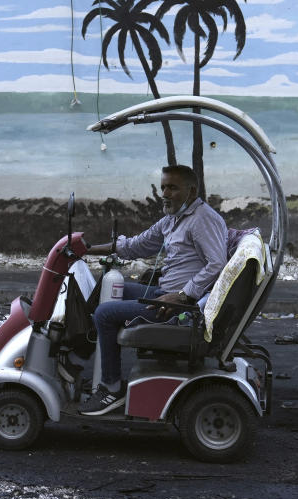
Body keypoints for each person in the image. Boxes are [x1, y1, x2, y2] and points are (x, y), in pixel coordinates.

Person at [80, 164, 228, 415]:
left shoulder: (203, 220)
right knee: (106, 288)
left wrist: (183, 295)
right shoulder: (173, 219)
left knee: (105, 314)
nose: (165, 194)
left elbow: (218, 264)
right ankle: (79, 355)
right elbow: (137, 246)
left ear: (192, 191)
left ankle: (111, 388)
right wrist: (87, 248)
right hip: (165, 296)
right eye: (163, 187)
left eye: (172, 188)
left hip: (179, 308)